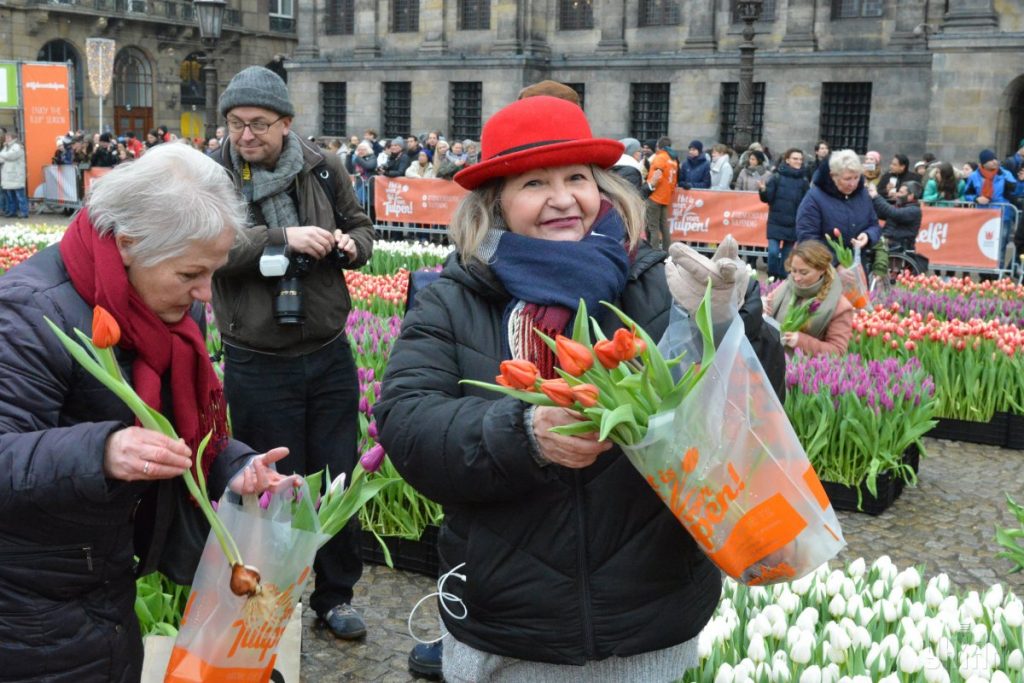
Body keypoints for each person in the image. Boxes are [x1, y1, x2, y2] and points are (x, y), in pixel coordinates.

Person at [375, 95, 722, 683]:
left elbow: (740, 412)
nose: (563, 198)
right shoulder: (453, 298)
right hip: (511, 626)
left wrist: (734, 325)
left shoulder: (661, 285)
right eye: (535, 183)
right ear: (497, 204)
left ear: (603, 189)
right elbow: (407, 423)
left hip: (649, 619)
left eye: (577, 178)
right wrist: (523, 434)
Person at [0, 143, 296, 680]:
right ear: (130, 245)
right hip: (27, 607)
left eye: (213, 271)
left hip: (102, 584)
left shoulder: (158, 309)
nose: (206, 293)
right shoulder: (27, 313)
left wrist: (235, 466)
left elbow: (178, 433)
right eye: (191, 273)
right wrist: (103, 450)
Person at [212, 66, 377, 640]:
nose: (245, 135)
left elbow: (361, 225)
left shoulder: (322, 166)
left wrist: (353, 245)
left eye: (258, 123)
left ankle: (335, 597)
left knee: (335, 476)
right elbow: (211, 243)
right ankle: (264, 598)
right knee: (266, 483)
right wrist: (283, 239)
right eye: (235, 123)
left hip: (327, 350)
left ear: (287, 122)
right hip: (256, 357)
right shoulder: (214, 174)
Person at [766, 240, 854, 356]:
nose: (796, 278)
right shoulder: (786, 287)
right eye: (794, 270)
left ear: (821, 270)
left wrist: (801, 341)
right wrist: (761, 306)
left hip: (805, 370)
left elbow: (837, 351)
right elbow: (767, 310)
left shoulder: (840, 306)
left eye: (804, 273)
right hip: (771, 361)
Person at [795, 149, 881, 261]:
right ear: (833, 176)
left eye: (856, 177)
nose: (853, 184)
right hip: (825, 269)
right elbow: (808, 238)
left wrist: (868, 236)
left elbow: (874, 224)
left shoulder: (863, 194)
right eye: (847, 179)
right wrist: (836, 263)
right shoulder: (814, 197)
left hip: (857, 266)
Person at [759, 147, 809, 279]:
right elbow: (768, 198)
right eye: (795, 158)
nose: (798, 161)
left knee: (787, 257)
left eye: (800, 159)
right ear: (787, 160)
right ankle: (772, 276)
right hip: (776, 221)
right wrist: (763, 191)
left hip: (793, 224)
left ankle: (781, 280)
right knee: (773, 252)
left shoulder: (804, 181)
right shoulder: (776, 177)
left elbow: (807, 203)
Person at [868, 179, 922, 251]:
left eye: (901, 192)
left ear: (911, 196)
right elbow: (882, 213)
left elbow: (893, 212)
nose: (897, 194)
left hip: (897, 245)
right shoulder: (900, 206)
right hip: (887, 241)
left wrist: (876, 196)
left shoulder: (914, 210)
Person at [644, 135, 679, 250]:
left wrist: (648, 187)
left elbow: (657, 176)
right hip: (665, 197)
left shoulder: (660, 158)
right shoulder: (673, 160)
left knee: (652, 227)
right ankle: (666, 252)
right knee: (664, 228)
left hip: (654, 196)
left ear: (658, 146)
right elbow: (674, 181)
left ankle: (653, 253)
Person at [0, 129, 29, 218]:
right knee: (11, 197)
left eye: (7, 137)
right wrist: (3, 155)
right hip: (8, 177)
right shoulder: (6, 147)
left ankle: (24, 212)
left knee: (20, 196)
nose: (6, 138)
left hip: (16, 176)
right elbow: (2, 157)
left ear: (13, 137)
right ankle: (13, 211)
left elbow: (10, 156)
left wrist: (2, 155)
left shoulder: (17, 146)